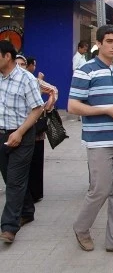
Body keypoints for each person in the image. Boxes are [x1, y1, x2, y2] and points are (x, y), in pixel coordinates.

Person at [68, 25, 113, 253]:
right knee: (99, 189)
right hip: (98, 142)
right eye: (109, 41)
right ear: (99, 43)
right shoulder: (86, 70)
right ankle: (81, 227)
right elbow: (73, 106)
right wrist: (105, 110)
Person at [0, 41, 44, 244]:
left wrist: (19, 133)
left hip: (22, 134)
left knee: (15, 181)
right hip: (2, 135)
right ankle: (27, 210)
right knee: (10, 179)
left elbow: (37, 108)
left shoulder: (26, 78)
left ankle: (9, 227)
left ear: (7, 56)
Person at [26, 57, 58, 203]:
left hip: (36, 129)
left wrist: (46, 107)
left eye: (23, 64)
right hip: (14, 129)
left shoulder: (34, 81)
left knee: (36, 160)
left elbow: (53, 90)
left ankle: (35, 193)